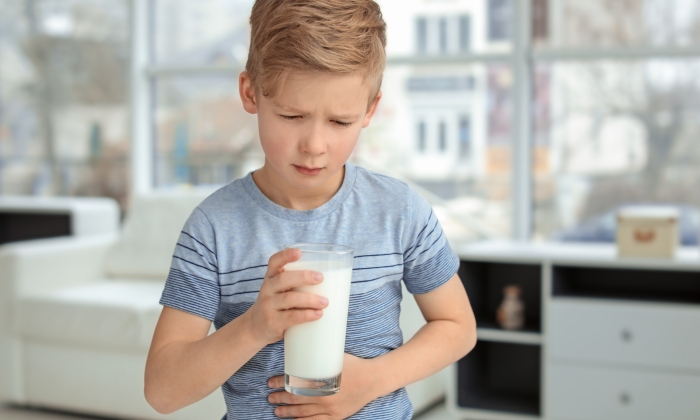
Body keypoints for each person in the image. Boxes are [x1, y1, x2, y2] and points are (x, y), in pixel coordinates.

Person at [144, 0, 477, 419]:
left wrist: (372, 380)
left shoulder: (399, 210)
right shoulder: (214, 228)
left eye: (340, 122)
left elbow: (457, 327)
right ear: (250, 93)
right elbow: (162, 391)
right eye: (292, 114)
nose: (315, 145)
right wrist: (253, 327)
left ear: (370, 110)